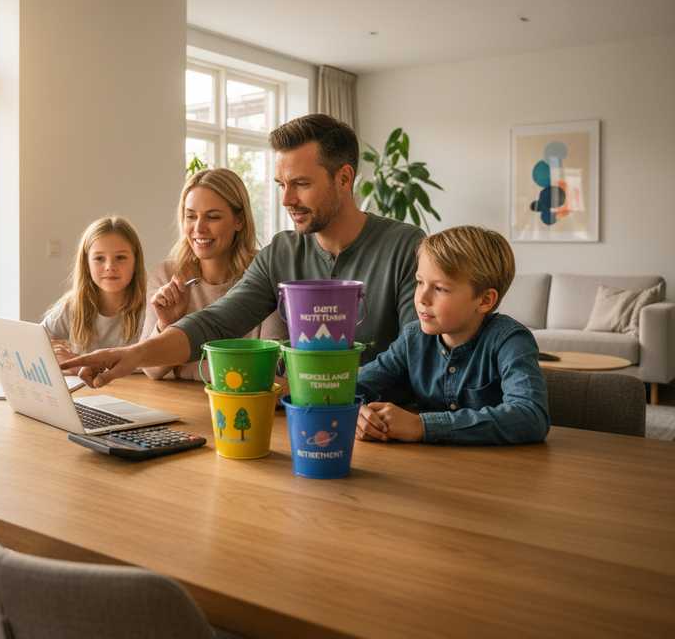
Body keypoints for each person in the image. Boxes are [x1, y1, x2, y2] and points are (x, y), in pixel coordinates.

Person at [63, 114, 424, 388]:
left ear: (343, 179)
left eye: (301, 184)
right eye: (282, 184)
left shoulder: (405, 246)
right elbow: (216, 321)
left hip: (377, 423)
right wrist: (134, 354)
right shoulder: (280, 253)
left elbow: (415, 350)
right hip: (292, 421)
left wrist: (314, 387)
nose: (286, 200)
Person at [355, 225, 550, 445]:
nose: (421, 298)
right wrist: (359, 414)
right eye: (420, 282)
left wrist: (422, 426)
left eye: (440, 288)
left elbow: (531, 416)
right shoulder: (413, 338)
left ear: (485, 300)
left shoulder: (510, 341)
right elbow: (354, 387)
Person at [140, 167, 285, 379]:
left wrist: (183, 367)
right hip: (177, 404)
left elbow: (271, 368)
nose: (199, 228)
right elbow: (152, 369)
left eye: (213, 217)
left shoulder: (265, 273)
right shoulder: (165, 275)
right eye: (191, 216)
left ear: (239, 220)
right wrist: (165, 324)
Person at [43, 216, 147, 371]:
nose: (110, 266)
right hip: (86, 394)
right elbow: (35, 344)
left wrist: (80, 365)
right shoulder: (71, 306)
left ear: (135, 261)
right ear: (86, 264)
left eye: (120, 257)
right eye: (99, 258)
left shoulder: (150, 308)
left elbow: (156, 365)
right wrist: (58, 356)